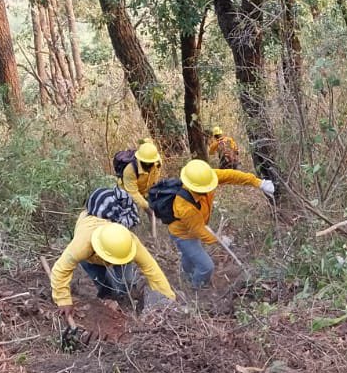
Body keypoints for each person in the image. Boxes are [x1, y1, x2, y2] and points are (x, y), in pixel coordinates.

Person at [49, 191, 175, 322]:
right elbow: (61, 268)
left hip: (118, 252)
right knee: (102, 282)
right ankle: (107, 299)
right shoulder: (82, 244)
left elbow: (152, 269)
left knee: (126, 283)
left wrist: (169, 299)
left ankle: (125, 302)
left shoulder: (129, 242)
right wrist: (63, 300)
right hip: (91, 259)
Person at [155, 159, 274, 288]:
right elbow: (199, 231)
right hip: (183, 235)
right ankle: (196, 289)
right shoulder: (184, 207)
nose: (207, 191)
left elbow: (232, 175)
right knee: (206, 267)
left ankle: (186, 275)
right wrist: (219, 239)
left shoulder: (206, 178)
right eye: (203, 190)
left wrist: (258, 183)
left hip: (193, 228)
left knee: (189, 256)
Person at [116, 138, 163, 212]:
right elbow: (133, 193)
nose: (147, 164)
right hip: (126, 192)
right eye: (145, 162)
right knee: (130, 213)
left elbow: (154, 179)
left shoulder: (157, 162)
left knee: (153, 210)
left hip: (144, 189)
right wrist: (146, 206)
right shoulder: (130, 170)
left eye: (150, 162)